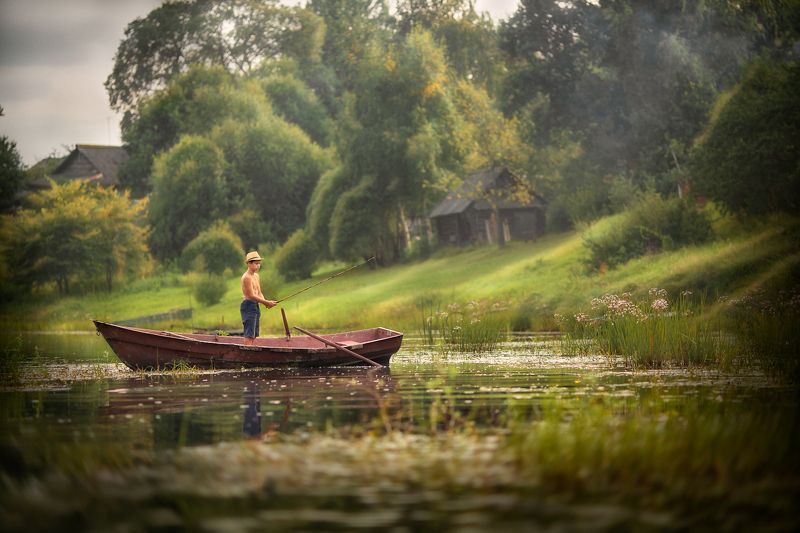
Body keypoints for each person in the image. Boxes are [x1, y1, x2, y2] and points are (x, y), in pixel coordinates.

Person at [240, 251, 276, 345]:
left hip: (255, 305)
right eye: (256, 263)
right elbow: (251, 295)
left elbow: (259, 292)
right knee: (249, 333)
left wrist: (265, 303)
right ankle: (247, 354)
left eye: (259, 263)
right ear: (249, 264)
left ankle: (251, 351)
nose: (258, 266)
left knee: (254, 333)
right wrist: (266, 302)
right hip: (248, 305)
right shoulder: (246, 277)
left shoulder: (256, 276)